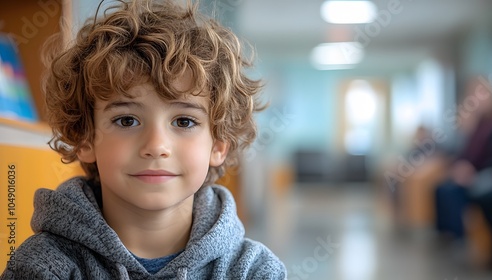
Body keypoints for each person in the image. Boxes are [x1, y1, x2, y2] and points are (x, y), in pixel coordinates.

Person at [0, 0, 286, 279]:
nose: (156, 146)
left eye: (184, 121)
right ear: (85, 137)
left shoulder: (256, 271)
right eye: (127, 120)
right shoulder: (41, 267)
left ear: (219, 145)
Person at [434, 76, 492, 242]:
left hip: (487, 174)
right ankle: (452, 236)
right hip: (472, 173)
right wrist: (459, 167)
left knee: (481, 195)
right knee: (442, 188)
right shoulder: (474, 126)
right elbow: (463, 154)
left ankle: (465, 239)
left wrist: (472, 172)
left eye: (482, 94)